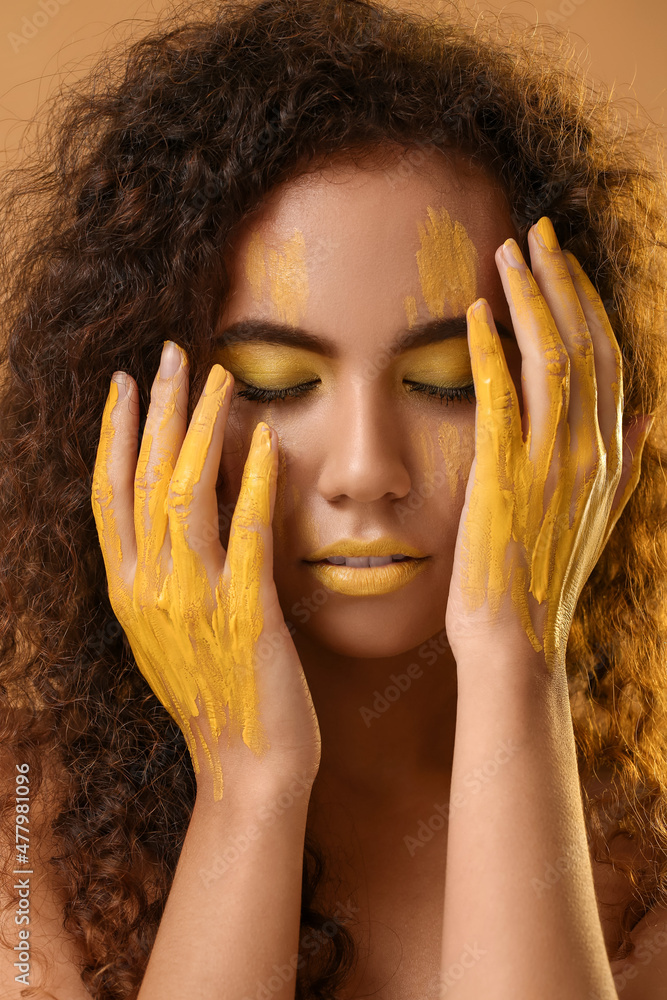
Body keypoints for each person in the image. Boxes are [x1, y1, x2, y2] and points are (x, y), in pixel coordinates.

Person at [1, 0, 667, 997]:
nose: (366, 468)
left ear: (578, 415)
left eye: (449, 380)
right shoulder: (21, 833)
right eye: (274, 381)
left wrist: (513, 659)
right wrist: (249, 786)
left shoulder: (640, 894)